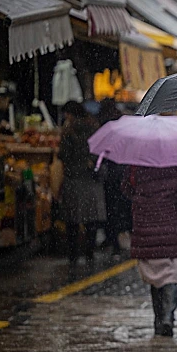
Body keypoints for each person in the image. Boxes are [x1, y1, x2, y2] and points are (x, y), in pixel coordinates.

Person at [122, 164, 177, 337]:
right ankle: (167, 316)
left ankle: (159, 320)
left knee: (155, 275)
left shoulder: (137, 164)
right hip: (175, 225)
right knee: (174, 274)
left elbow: (126, 189)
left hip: (145, 224)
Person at [58, 101, 106, 267]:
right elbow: (101, 151)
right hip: (90, 179)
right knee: (91, 219)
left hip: (73, 179)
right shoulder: (94, 126)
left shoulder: (69, 130)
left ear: (70, 114)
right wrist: (91, 162)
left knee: (72, 220)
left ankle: (73, 255)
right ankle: (89, 252)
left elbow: (62, 154)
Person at [98, 99, 131, 253]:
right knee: (124, 208)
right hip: (123, 173)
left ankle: (113, 241)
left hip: (111, 175)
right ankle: (125, 238)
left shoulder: (106, 127)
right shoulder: (125, 127)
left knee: (112, 209)